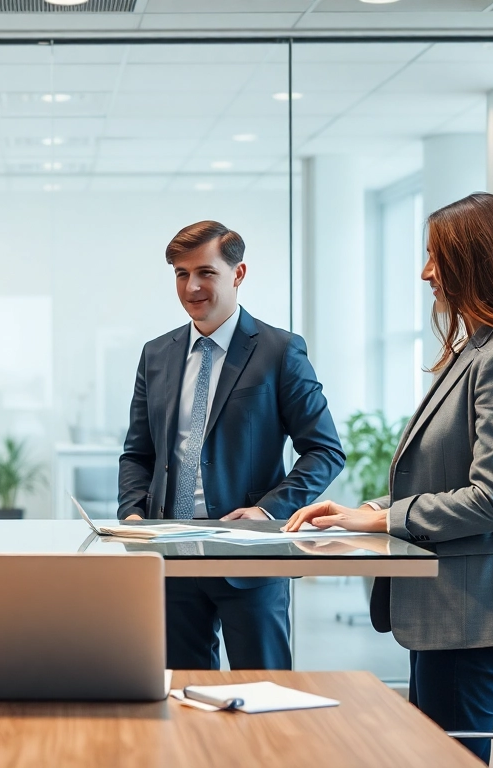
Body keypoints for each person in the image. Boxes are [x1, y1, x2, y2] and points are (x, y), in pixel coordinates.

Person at [285, 193, 493, 764]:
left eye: (436, 257)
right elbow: (443, 474)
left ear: (479, 261)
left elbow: (490, 501)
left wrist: (381, 519)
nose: (425, 272)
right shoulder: (479, 350)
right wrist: (361, 511)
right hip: (454, 614)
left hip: (479, 617)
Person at [118, 220, 346, 670]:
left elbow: (325, 450)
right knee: (180, 696)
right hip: (170, 553)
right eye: (182, 274)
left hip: (250, 556)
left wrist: (268, 512)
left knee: (263, 695)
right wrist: (132, 514)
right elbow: (138, 453)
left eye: (206, 272)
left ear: (238, 274)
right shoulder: (157, 354)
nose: (192, 286)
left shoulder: (280, 351)